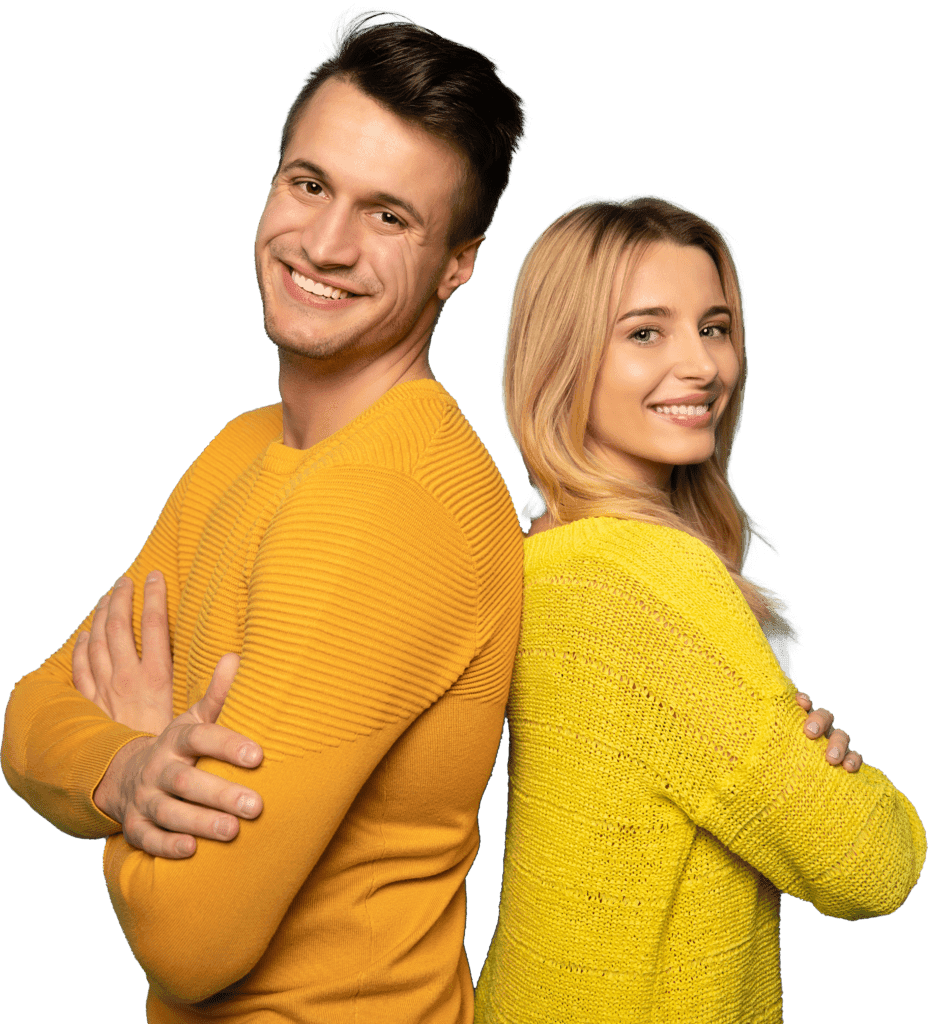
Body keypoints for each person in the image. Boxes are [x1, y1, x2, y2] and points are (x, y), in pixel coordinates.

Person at [2, 11, 527, 1023]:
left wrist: (140, 741)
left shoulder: (387, 505)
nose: (322, 244)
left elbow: (190, 936)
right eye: (309, 183)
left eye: (388, 217)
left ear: (458, 263)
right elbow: (28, 714)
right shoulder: (243, 448)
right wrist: (127, 766)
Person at [474, 196, 926, 1023]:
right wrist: (852, 788)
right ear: (564, 355)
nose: (704, 365)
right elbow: (871, 866)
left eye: (714, 327)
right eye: (646, 331)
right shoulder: (649, 577)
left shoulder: (536, 552)